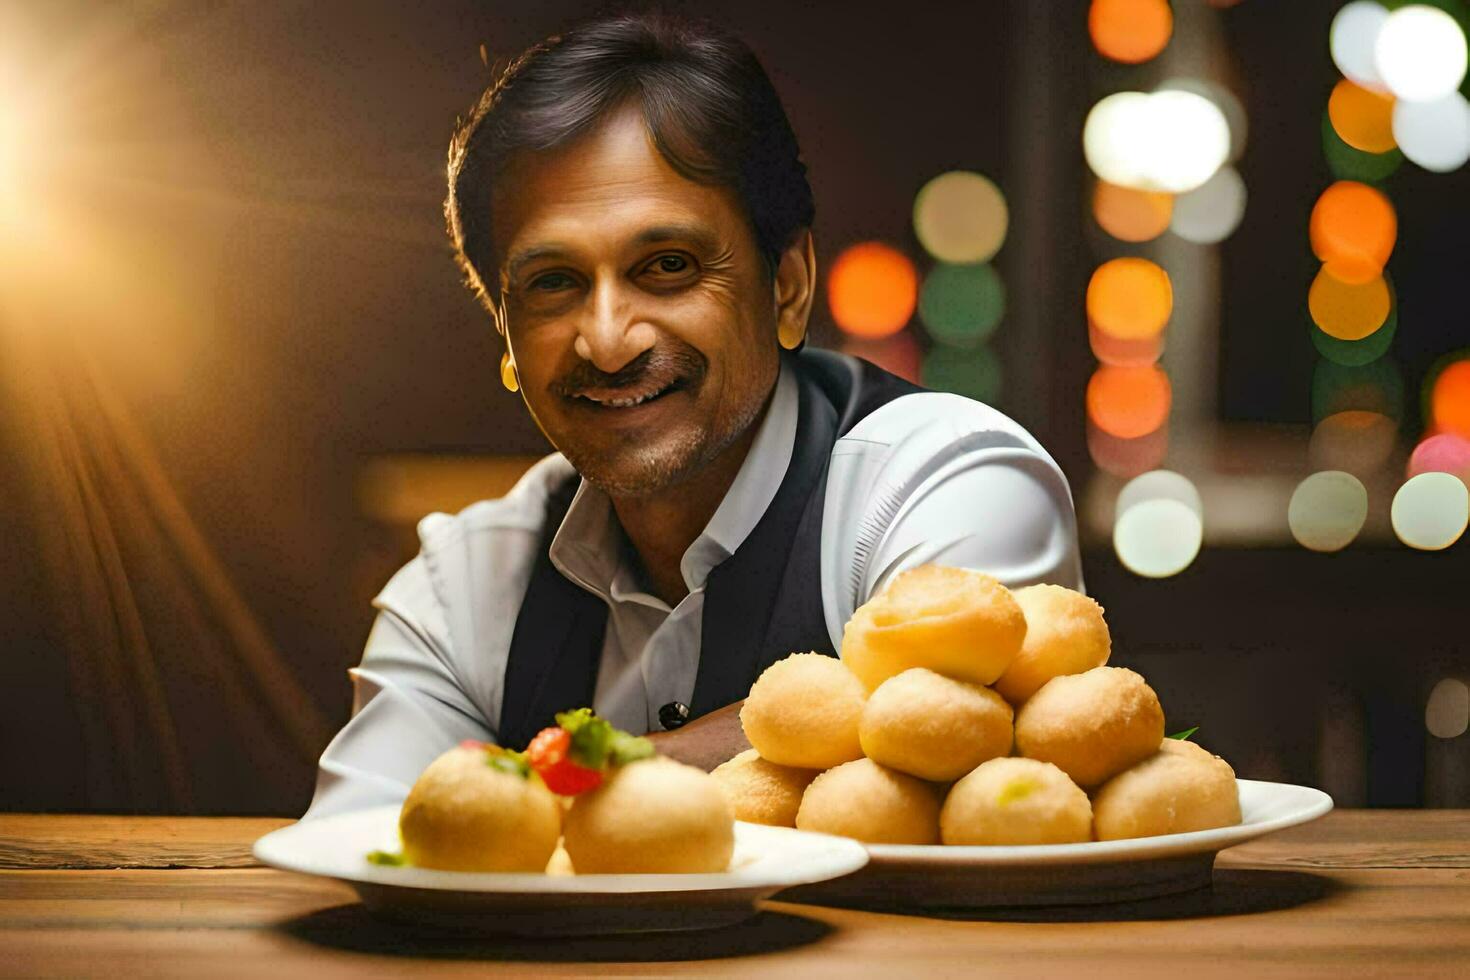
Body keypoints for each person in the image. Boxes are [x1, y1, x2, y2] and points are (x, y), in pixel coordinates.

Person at [305, 10, 1081, 819]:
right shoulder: (464, 584)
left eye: (667, 266)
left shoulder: (945, 482)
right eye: (553, 284)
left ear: (787, 286)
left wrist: (559, 784)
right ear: (504, 332)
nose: (607, 342)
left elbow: (949, 732)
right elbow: (365, 843)